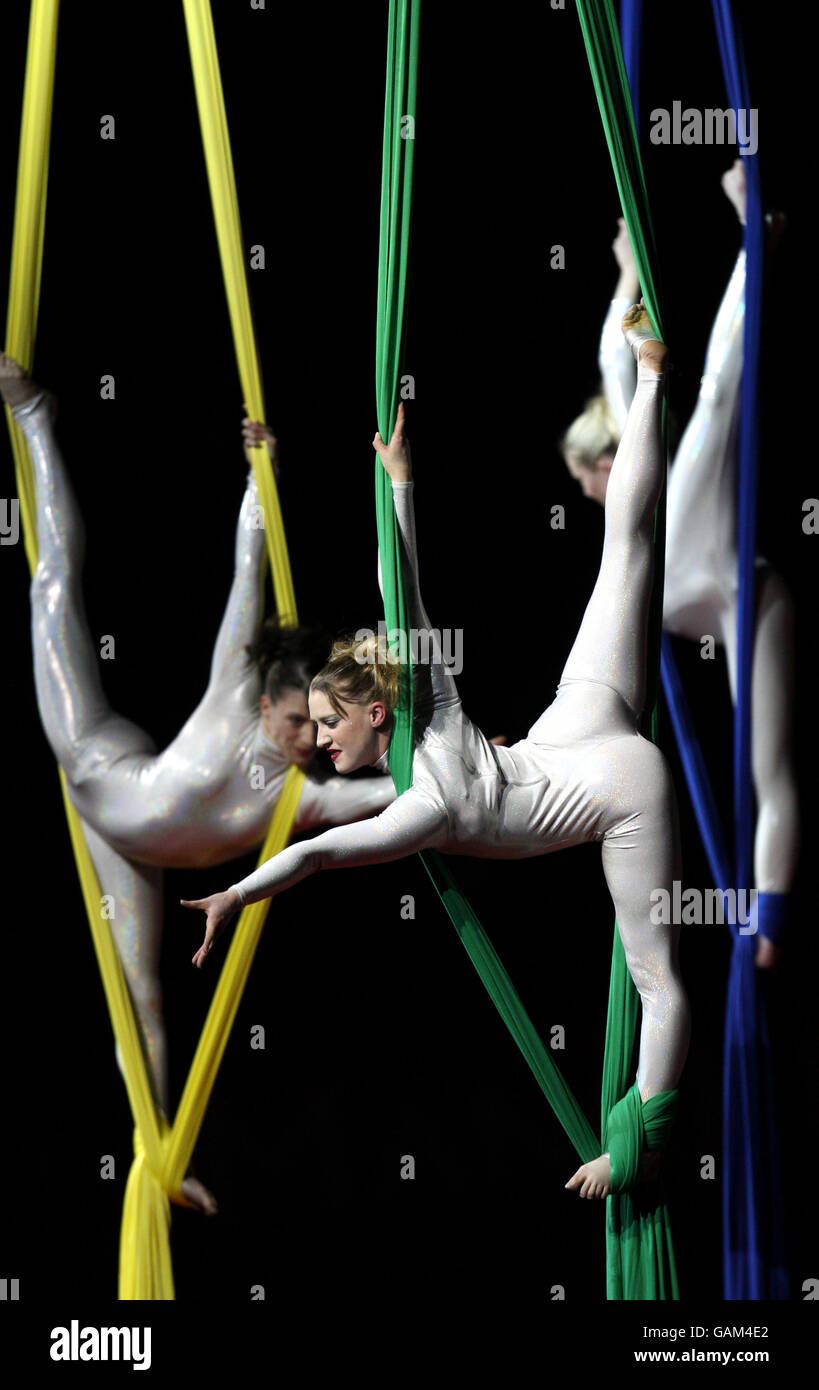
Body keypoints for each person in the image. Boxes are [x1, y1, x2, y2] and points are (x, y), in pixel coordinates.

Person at [182, 311, 693, 1201]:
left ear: (374, 713)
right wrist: (402, 488)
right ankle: (649, 375)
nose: (320, 739)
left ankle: (640, 1146)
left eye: (327, 724)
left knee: (658, 981)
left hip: (612, 787)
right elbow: (403, 591)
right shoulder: (437, 709)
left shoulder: (424, 808)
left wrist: (236, 892)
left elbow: (319, 854)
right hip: (569, 729)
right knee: (624, 545)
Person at [1, 356, 396, 1211]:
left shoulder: (304, 799)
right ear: (266, 702)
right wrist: (264, 474)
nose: (309, 741)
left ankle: (161, 1155)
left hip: (125, 845)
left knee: (144, 1002)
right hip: (98, 756)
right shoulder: (232, 694)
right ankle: (35, 417)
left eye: (323, 729)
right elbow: (246, 574)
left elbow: (401, 798)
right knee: (53, 583)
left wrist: (474, 761)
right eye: (298, 724)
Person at [561, 160, 798, 971]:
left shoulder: (657, 465)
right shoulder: (629, 524)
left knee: (765, 758)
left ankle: (769, 915)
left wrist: (738, 244)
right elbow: (608, 357)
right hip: (698, 591)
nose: (589, 493)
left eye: (584, 478)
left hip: (745, 594)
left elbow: (692, 372)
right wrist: (624, 271)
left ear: (602, 461)